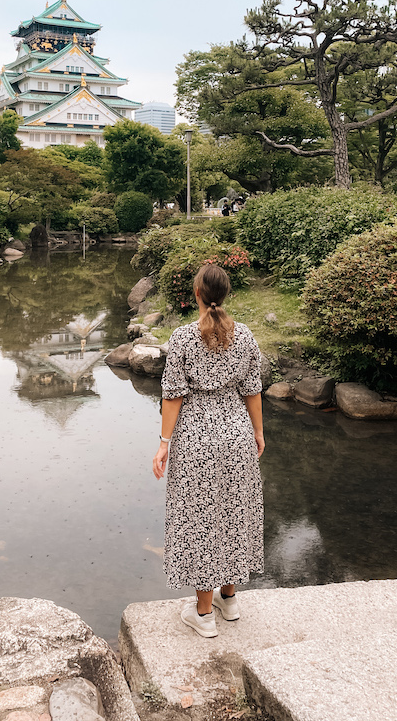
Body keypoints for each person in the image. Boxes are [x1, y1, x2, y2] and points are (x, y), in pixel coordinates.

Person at [152, 263, 265, 638]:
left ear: (197, 294)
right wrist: (258, 433)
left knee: (200, 517)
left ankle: (203, 613)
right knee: (235, 508)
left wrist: (164, 443)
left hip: (197, 437)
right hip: (236, 433)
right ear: (226, 294)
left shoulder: (183, 338)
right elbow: (252, 388)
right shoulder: (244, 335)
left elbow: (173, 395)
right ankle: (228, 599)